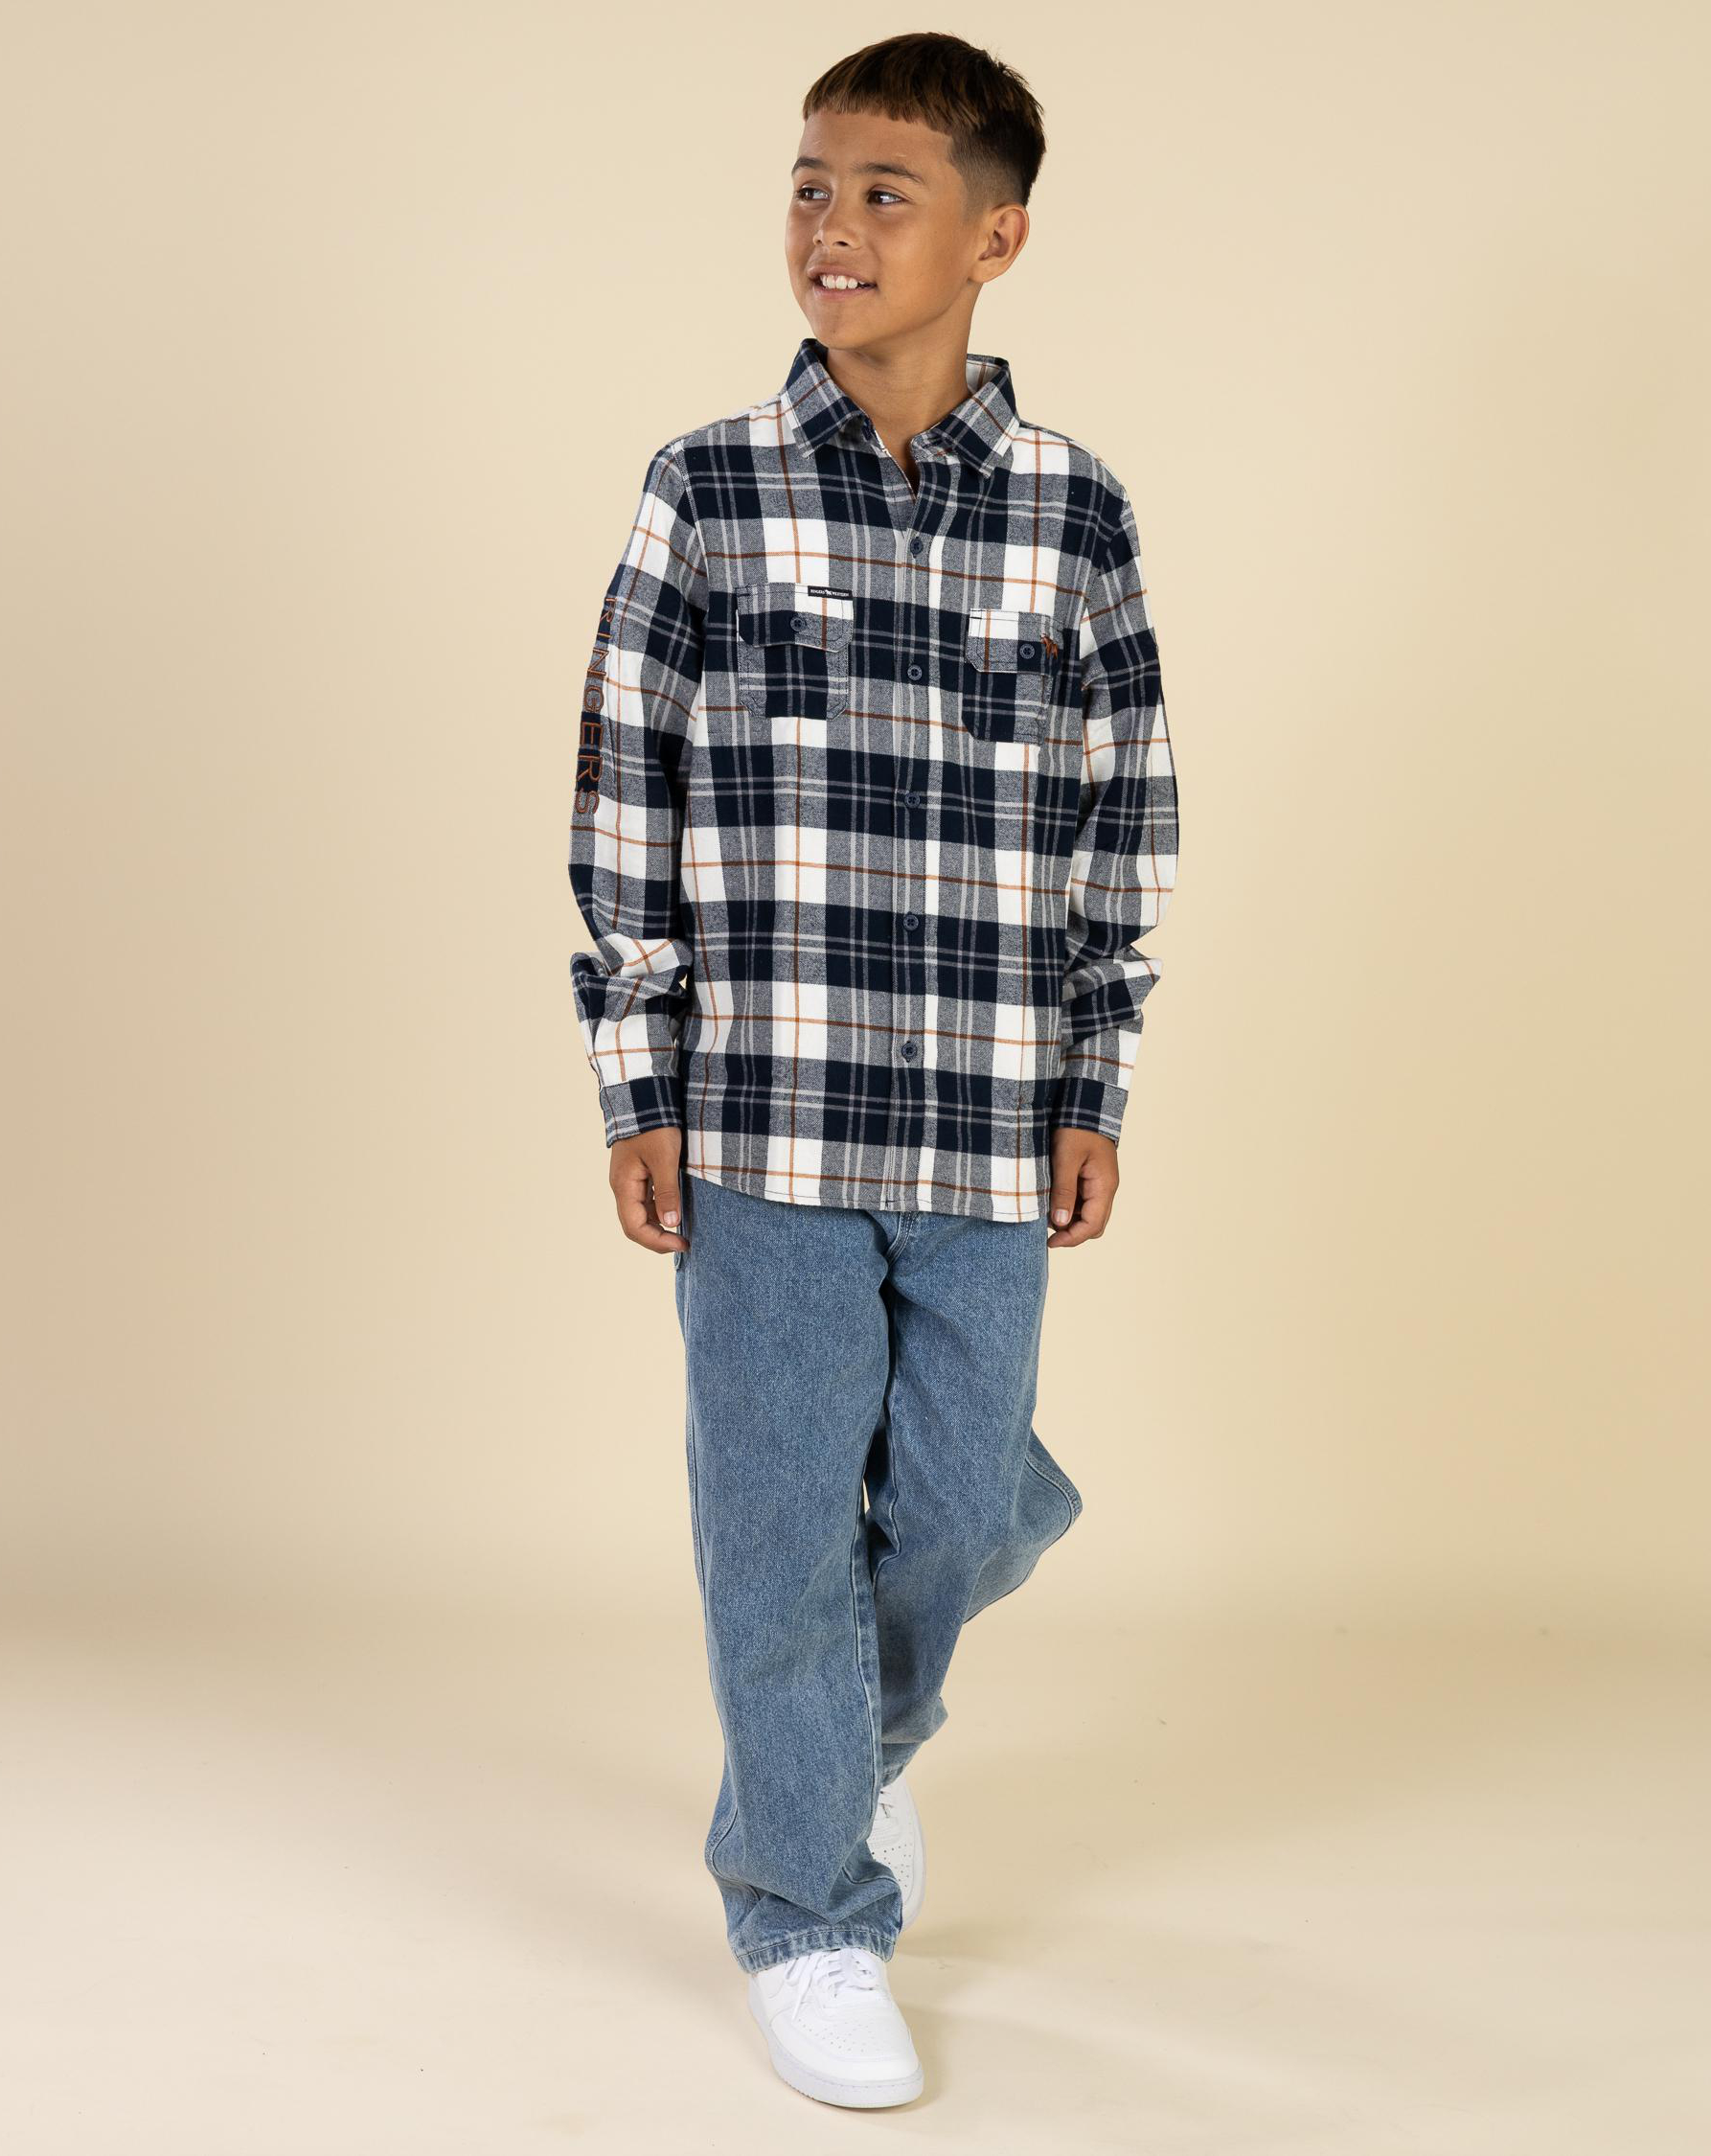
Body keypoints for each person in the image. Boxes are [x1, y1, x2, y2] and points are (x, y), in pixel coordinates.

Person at [567, 31, 1178, 2110]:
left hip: (991, 1117)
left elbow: (1123, 814)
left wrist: (1095, 1076)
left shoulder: (1077, 511)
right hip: (763, 1117)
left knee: (960, 1503)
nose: (831, 225)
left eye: (884, 192)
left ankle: (849, 1746)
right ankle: (807, 1906)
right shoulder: (707, 488)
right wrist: (639, 1079)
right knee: (775, 1534)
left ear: (996, 238)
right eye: (810, 185)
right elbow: (625, 799)